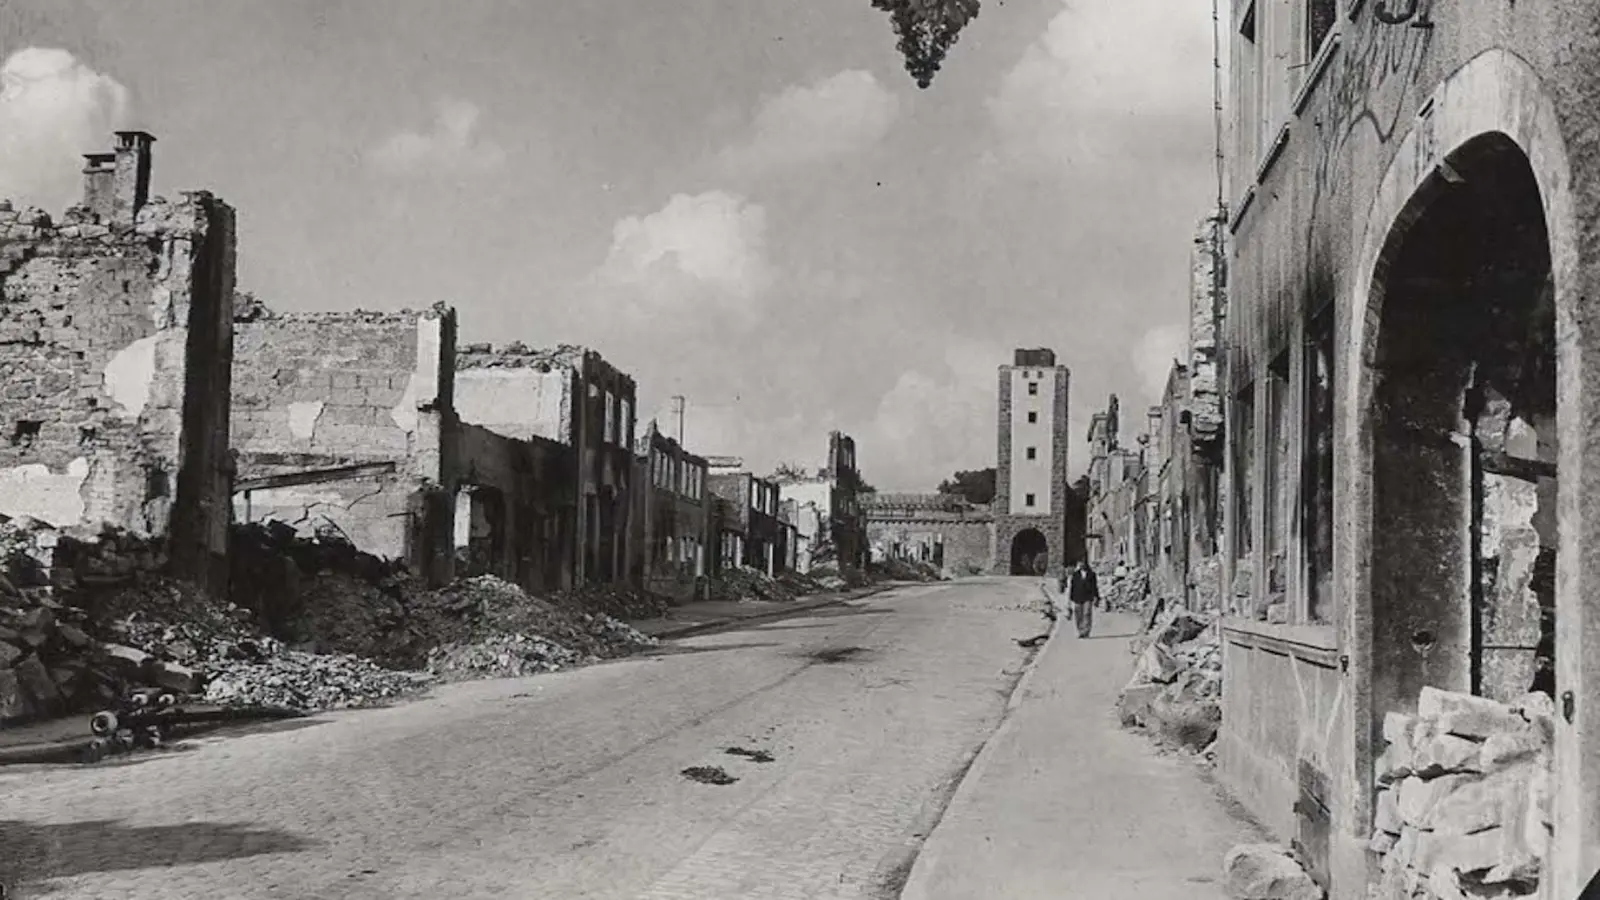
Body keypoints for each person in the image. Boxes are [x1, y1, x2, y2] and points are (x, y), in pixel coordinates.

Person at [1065, 559, 1100, 638]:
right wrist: (1070, 598)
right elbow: (1072, 587)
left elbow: (1095, 586)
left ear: (1085, 564)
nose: (1081, 565)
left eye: (1082, 563)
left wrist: (1096, 597)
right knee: (1078, 615)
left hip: (1088, 597)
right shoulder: (1075, 575)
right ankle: (1080, 631)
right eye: (1079, 564)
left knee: (1087, 613)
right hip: (1077, 597)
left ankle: (1086, 631)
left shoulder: (1092, 574)